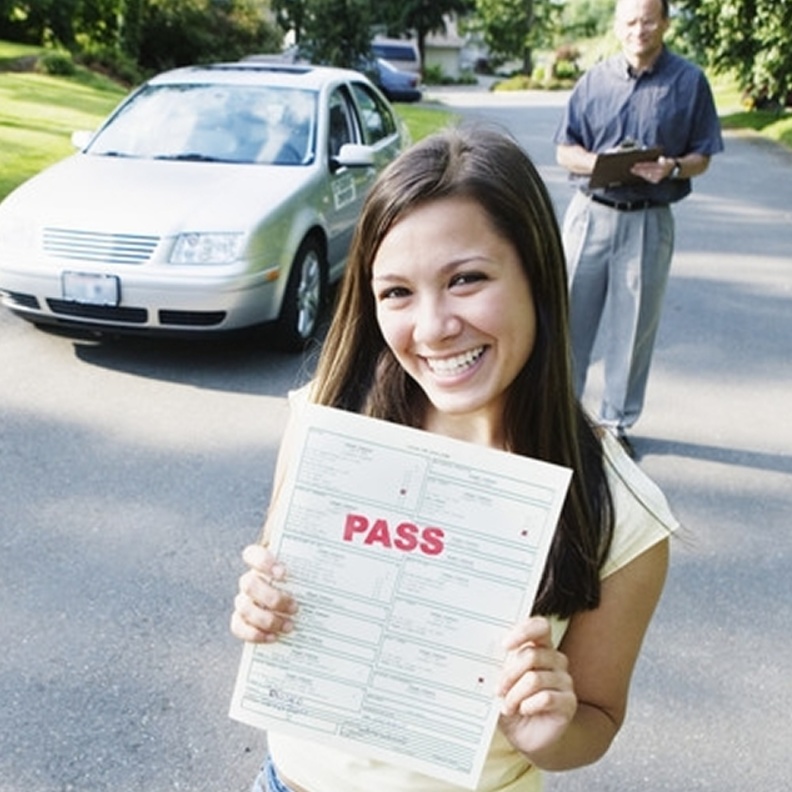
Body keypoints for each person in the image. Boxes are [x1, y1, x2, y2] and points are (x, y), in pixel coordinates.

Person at [231, 126, 677, 792]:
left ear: (537, 273)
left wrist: (552, 731)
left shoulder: (621, 511)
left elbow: (597, 720)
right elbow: (279, 586)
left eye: (466, 279)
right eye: (396, 293)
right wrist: (259, 608)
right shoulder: (329, 422)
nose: (434, 326)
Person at [554, 0, 723, 457]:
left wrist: (671, 168)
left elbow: (702, 157)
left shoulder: (688, 83)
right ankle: (560, 412)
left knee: (635, 327)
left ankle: (615, 424)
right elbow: (564, 149)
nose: (639, 30)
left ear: (665, 23)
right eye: (630, 21)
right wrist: (599, 164)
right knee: (568, 317)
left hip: (649, 218)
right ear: (616, 25)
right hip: (590, 214)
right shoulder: (594, 80)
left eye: (649, 20)